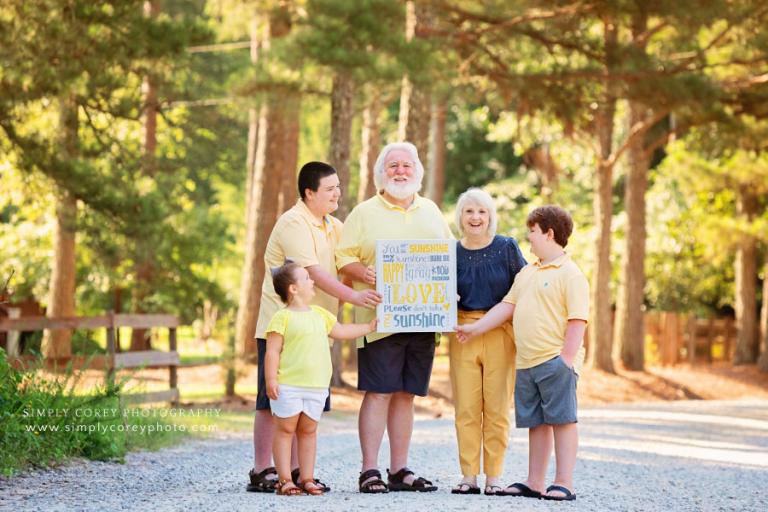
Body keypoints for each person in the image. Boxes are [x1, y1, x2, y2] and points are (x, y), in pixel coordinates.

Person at [247, 162, 382, 493]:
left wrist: (369, 276)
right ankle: (262, 469)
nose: (337, 193)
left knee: (304, 401)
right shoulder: (293, 223)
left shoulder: (334, 226)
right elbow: (316, 273)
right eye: (330, 188)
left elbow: (343, 267)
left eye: (338, 187)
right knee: (272, 399)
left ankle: (293, 472)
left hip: (318, 326)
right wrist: (355, 296)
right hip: (282, 326)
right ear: (309, 192)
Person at [336, 141, 453, 494]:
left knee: (406, 394)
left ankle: (399, 469)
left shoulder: (431, 211)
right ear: (380, 174)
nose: (400, 171)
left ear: (417, 171)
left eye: (406, 165)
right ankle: (369, 470)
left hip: (422, 320)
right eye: (393, 166)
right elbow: (343, 258)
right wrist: (367, 273)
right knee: (379, 392)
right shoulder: (363, 212)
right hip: (379, 320)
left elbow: (446, 260)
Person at [456, 205, 588, 501]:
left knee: (562, 421)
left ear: (549, 233)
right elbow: (506, 307)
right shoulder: (528, 272)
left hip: (554, 361)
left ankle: (564, 482)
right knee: (536, 423)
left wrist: (566, 360)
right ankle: (534, 481)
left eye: (532, 231)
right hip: (526, 361)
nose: (528, 238)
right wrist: (474, 329)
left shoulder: (571, 273)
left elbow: (578, 320)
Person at [265, 261, 377, 495]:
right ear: (293, 289)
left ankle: (306, 478)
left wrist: (368, 326)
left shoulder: (320, 315)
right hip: (288, 385)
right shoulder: (281, 317)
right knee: (285, 430)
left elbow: (343, 331)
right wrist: (271, 380)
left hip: (316, 386)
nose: (312, 281)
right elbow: (272, 352)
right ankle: (285, 479)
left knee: (309, 431)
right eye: (306, 278)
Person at [449, 188, 527, 496]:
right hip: (462, 333)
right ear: (460, 217)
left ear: (491, 216)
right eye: (469, 211)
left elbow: (522, 290)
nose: (475, 217)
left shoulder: (507, 247)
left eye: (482, 212)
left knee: (496, 408)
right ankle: (468, 476)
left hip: (499, 331)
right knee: (466, 409)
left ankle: (494, 476)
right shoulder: (450, 252)